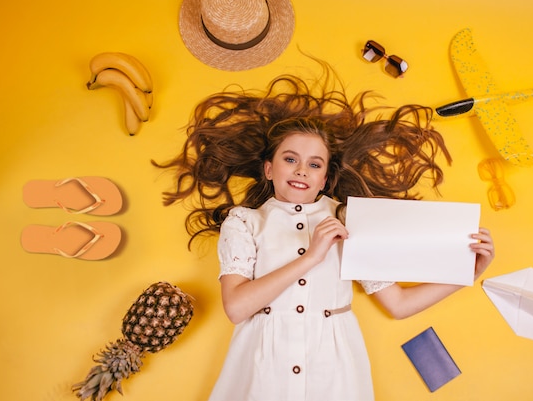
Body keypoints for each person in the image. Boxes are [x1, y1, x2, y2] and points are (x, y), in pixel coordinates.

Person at [155, 61, 495, 401]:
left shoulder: (351, 221)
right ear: (269, 169)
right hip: (262, 363)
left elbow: (398, 304)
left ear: (324, 179)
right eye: (290, 159)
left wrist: (466, 273)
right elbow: (237, 308)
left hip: (334, 365)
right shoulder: (243, 221)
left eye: (314, 164)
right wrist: (312, 256)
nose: (302, 170)